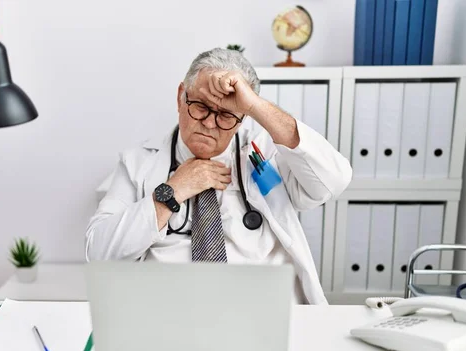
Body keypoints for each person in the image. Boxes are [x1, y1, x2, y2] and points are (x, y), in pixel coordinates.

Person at [85, 48, 352, 304]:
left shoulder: (266, 153)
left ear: (242, 118)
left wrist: (255, 106)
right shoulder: (137, 163)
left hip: (259, 311)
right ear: (181, 96)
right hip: (167, 312)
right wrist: (172, 191)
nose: (210, 123)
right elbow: (99, 253)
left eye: (226, 115)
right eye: (201, 106)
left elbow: (333, 181)